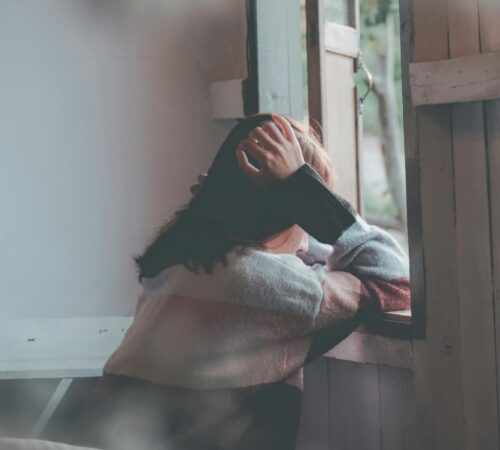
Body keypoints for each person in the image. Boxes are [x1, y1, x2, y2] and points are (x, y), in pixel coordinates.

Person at [68, 112, 410, 450]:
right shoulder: (265, 285)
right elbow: (395, 279)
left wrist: (221, 201)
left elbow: (299, 251)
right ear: (293, 214)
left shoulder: (183, 261)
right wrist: (307, 193)